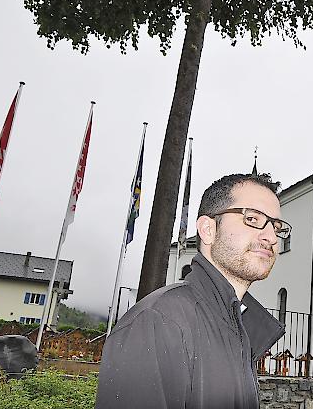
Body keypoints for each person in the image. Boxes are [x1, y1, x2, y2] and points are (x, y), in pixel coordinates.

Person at [96, 173, 290, 409]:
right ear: (208, 229)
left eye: (277, 227)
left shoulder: (237, 328)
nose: (271, 237)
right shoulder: (158, 321)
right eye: (252, 218)